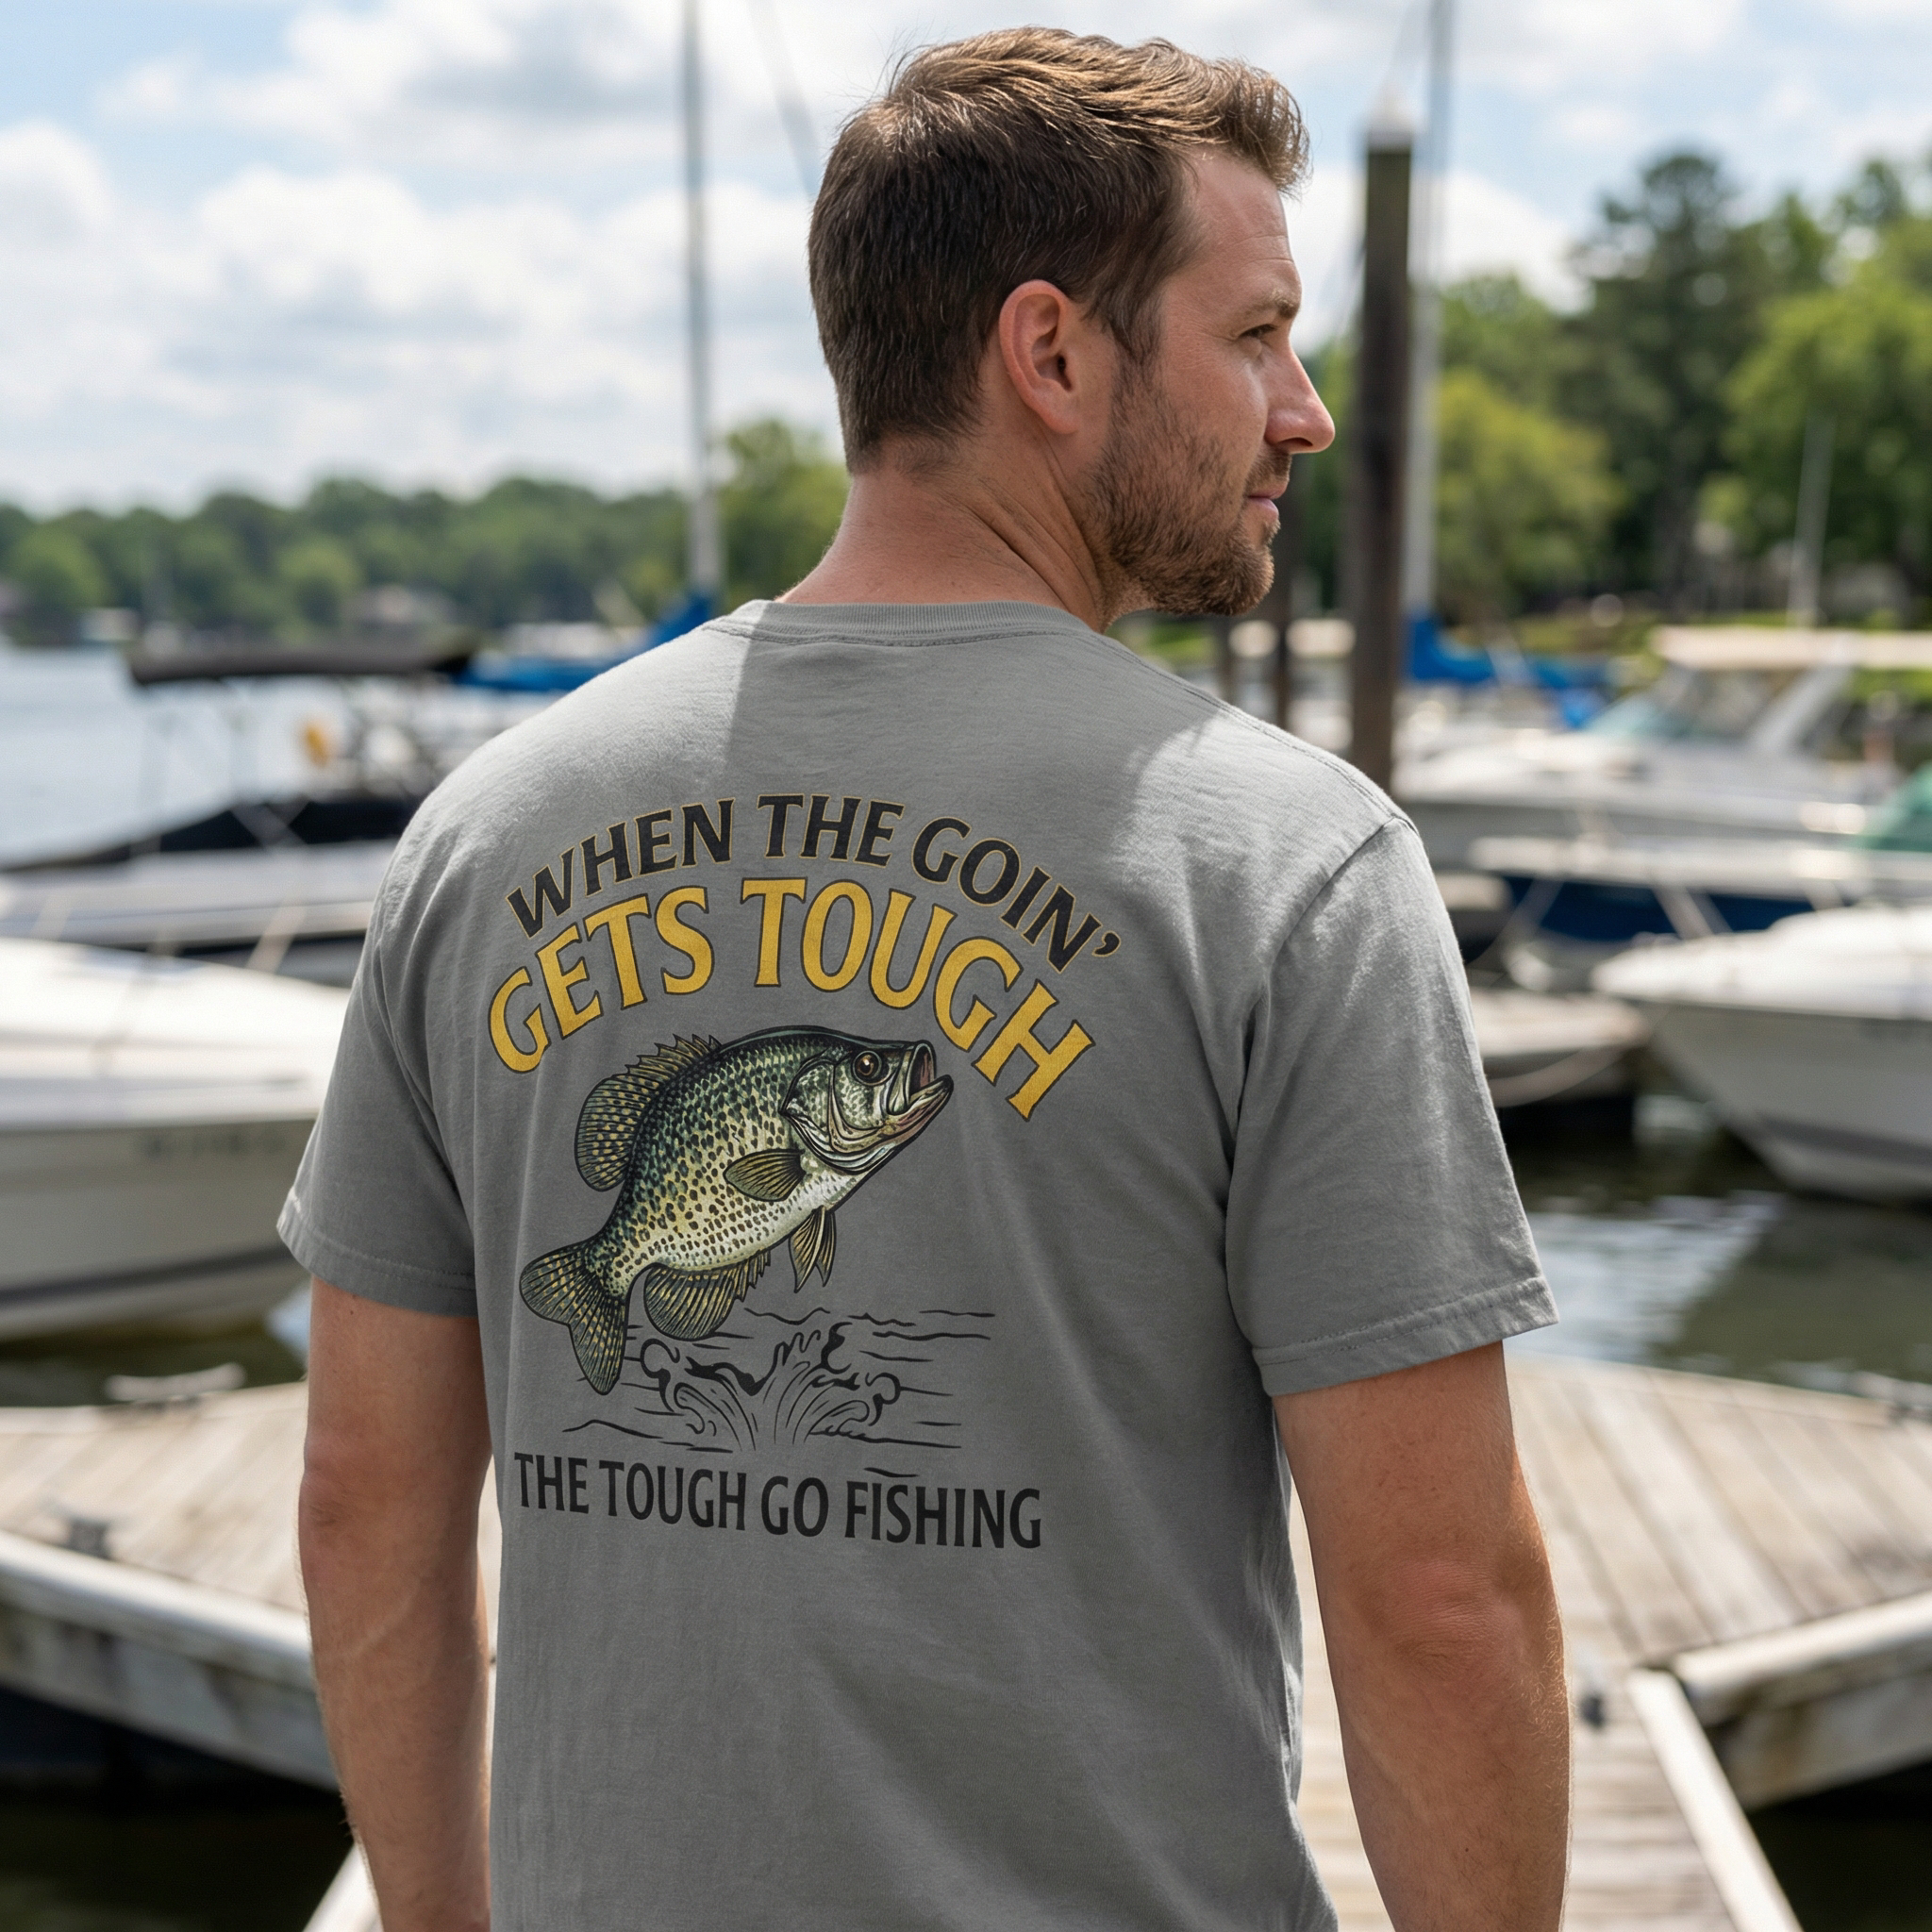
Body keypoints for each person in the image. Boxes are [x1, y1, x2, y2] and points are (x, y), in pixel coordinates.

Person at [291, 27, 1569, 1932]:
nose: (1303, 412)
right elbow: (1440, 1600)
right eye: (1254, 335)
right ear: (1050, 354)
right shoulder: (1286, 865)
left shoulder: (485, 835)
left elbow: (362, 1505)